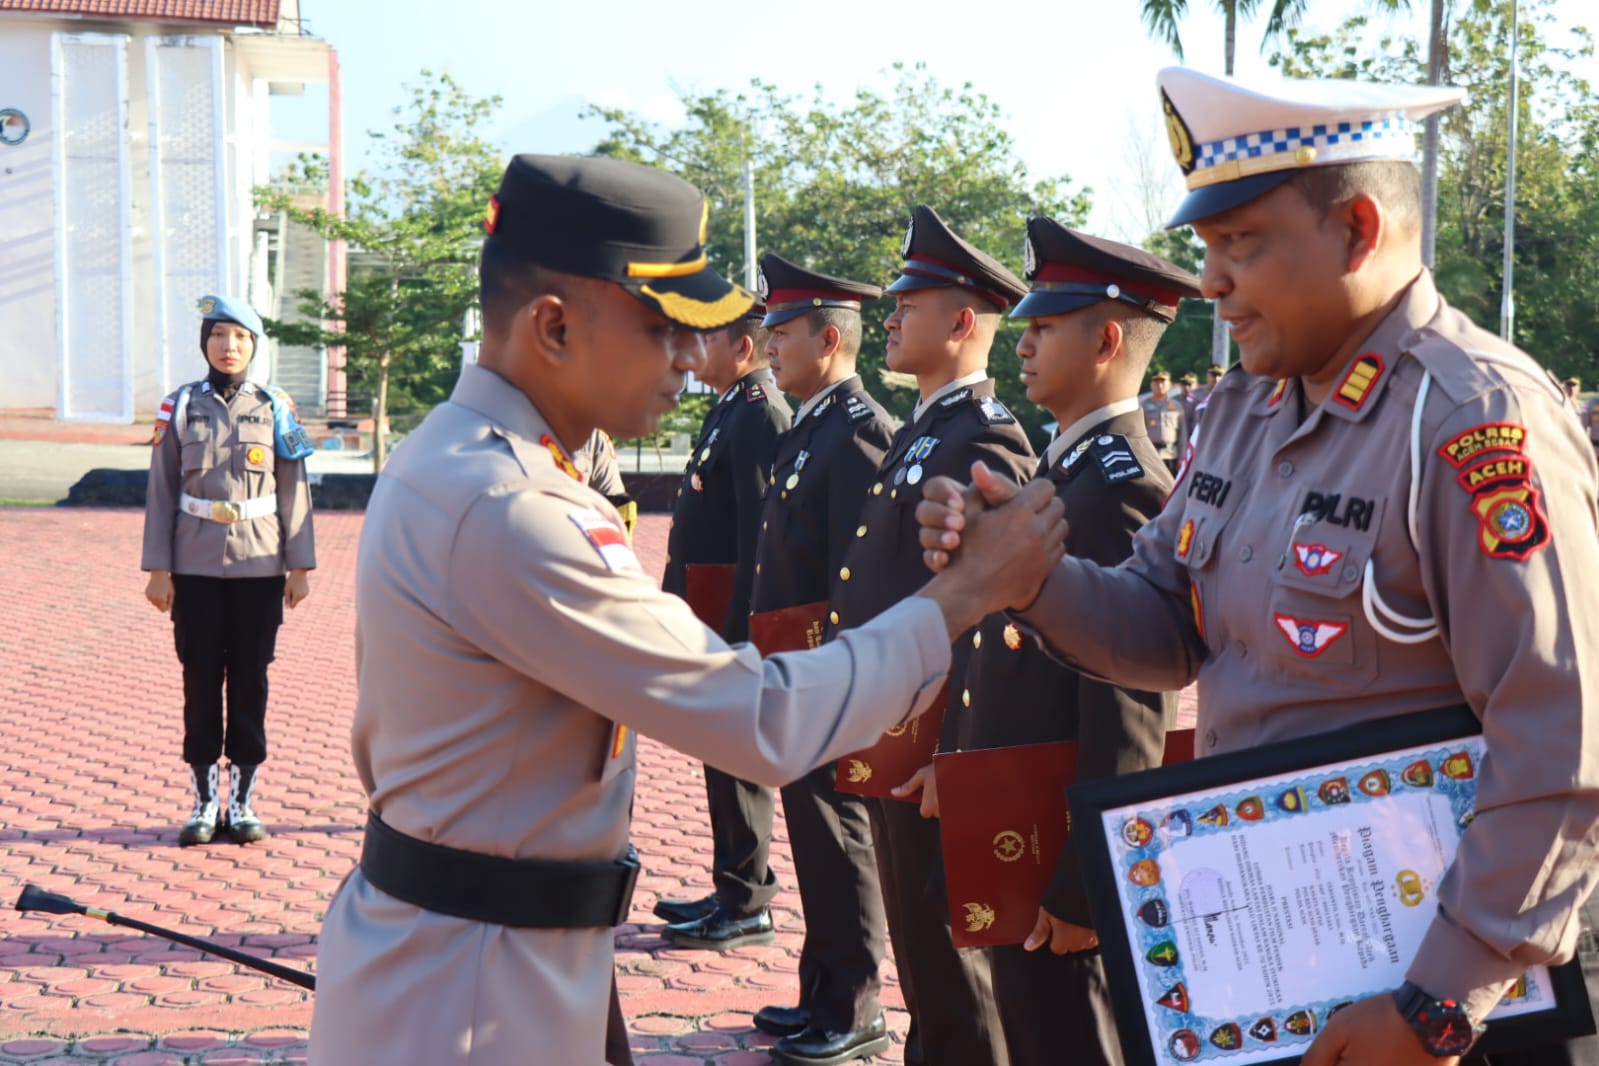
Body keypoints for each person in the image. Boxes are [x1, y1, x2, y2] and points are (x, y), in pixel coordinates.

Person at [306, 154, 1069, 1066]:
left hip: (480, 956)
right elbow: (764, 719)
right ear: (553, 326)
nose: (690, 356)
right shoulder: (512, 504)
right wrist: (965, 592)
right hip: (476, 991)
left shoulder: (463, 454)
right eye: (663, 327)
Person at [918, 67, 1599, 1066]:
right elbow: (1167, 623)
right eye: (1207, 249)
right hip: (1291, 967)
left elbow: (1562, 731)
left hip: (1452, 1003)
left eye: (1240, 244)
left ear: (1358, 230)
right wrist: (1028, 577)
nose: (1210, 282)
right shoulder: (1247, 409)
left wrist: (1439, 1002)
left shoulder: (1470, 418)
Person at [946, 219, 1199, 1066]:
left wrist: (1090, 881)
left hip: (1057, 847)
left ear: (1106, 341)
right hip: (1016, 828)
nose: (1020, 344)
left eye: (1045, 327)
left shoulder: (1120, 488)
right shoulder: (1063, 474)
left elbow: (1130, 710)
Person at [822, 204, 1037, 1066]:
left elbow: (1001, 610)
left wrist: (958, 752)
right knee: (920, 954)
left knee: (952, 968)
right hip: (895, 732)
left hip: (934, 746)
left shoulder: (985, 438)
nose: (889, 318)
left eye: (908, 305)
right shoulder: (923, 430)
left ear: (959, 323)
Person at [741, 253, 898, 1059]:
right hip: (795, 666)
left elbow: (859, 570)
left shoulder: (861, 430)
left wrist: (839, 674)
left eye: (782, 333)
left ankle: (855, 1006)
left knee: (840, 835)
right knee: (812, 834)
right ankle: (820, 991)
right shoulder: (811, 425)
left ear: (828, 339)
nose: (768, 346)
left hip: (831, 670)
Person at [140, 294, 315, 847]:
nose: (229, 346)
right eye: (219, 335)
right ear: (205, 343)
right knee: (198, 680)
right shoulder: (180, 405)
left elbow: (294, 486)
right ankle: (203, 801)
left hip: (260, 564)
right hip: (192, 563)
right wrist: (158, 568)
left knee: (250, 680)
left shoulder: (275, 405)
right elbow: (162, 487)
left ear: (253, 345)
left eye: (240, 337)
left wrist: (299, 565)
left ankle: (241, 802)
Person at [656, 302, 793, 951]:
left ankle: (748, 901)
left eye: (706, 338)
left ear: (742, 347)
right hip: (710, 618)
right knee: (720, 759)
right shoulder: (733, 406)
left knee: (737, 761)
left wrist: (741, 636)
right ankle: (732, 886)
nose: (692, 348)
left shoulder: (761, 412)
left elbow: (757, 536)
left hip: (733, 626)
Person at [1139, 368, 1184, 473]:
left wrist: (1182, 457)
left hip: (1171, 454)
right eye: (1156, 382)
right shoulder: (1143, 406)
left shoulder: (1177, 406)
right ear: (1151, 385)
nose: (1159, 385)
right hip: (1150, 454)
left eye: (1163, 382)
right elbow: (1139, 431)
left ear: (1169, 385)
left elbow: (1183, 433)